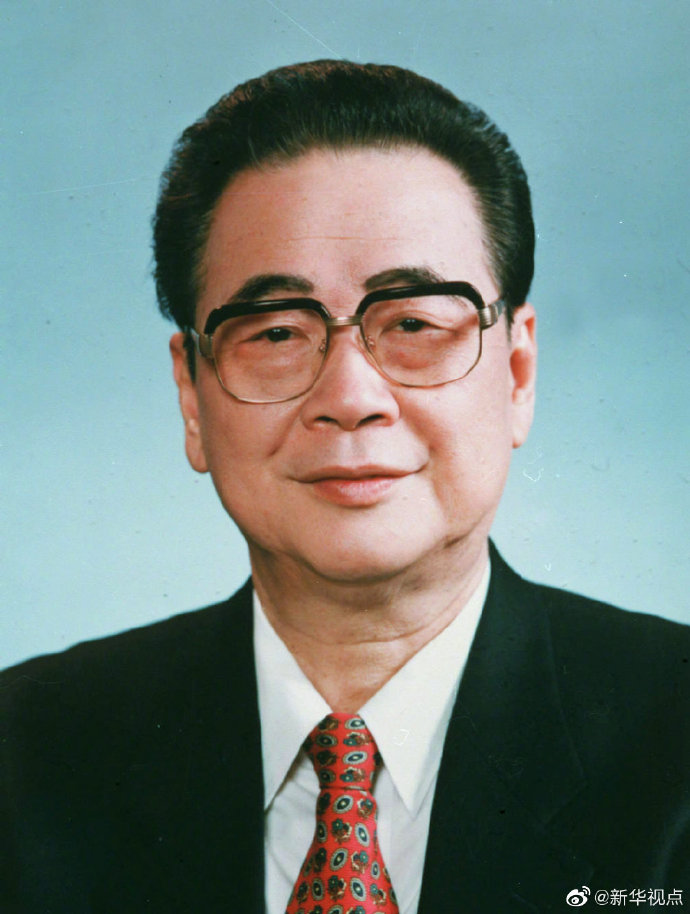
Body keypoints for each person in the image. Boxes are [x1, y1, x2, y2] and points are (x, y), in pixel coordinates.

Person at [1, 60, 688, 914]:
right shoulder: (25, 758)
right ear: (192, 395)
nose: (351, 397)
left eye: (414, 322)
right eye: (277, 332)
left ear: (516, 372)